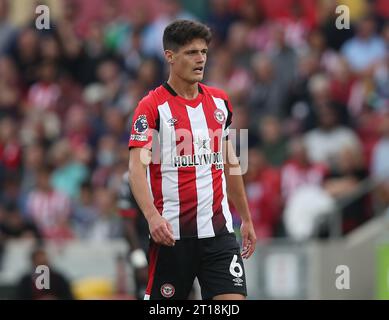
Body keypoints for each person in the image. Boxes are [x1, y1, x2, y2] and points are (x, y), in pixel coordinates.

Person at [128, 20, 256, 300]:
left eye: (204, 52)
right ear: (170, 57)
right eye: (191, 53)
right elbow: (136, 168)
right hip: (172, 237)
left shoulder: (220, 102)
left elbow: (230, 163)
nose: (200, 59)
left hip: (218, 234)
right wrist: (152, 217)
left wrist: (245, 218)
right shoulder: (151, 107)